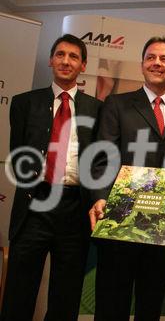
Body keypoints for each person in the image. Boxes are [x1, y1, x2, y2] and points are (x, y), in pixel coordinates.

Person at [88, 36, 165, 320]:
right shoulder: (116, 104)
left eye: (164, 59)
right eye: (150, 57)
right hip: (119, 220)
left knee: (151, 306)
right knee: (111, 304)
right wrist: (100, 197)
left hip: (160, 228)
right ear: (142, 65)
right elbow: (103, 158)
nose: (156, 63)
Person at [1, 34, 102, 321]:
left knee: (66, 294)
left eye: (73, 56)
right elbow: (18, 153)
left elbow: (99, 161)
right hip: (35, 203)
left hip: (74, 208)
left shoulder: (97, 108)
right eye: (60, 54)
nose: (65, 61)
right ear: (50, 60)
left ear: (83, 65)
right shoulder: (24, 103)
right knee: (19, 290)